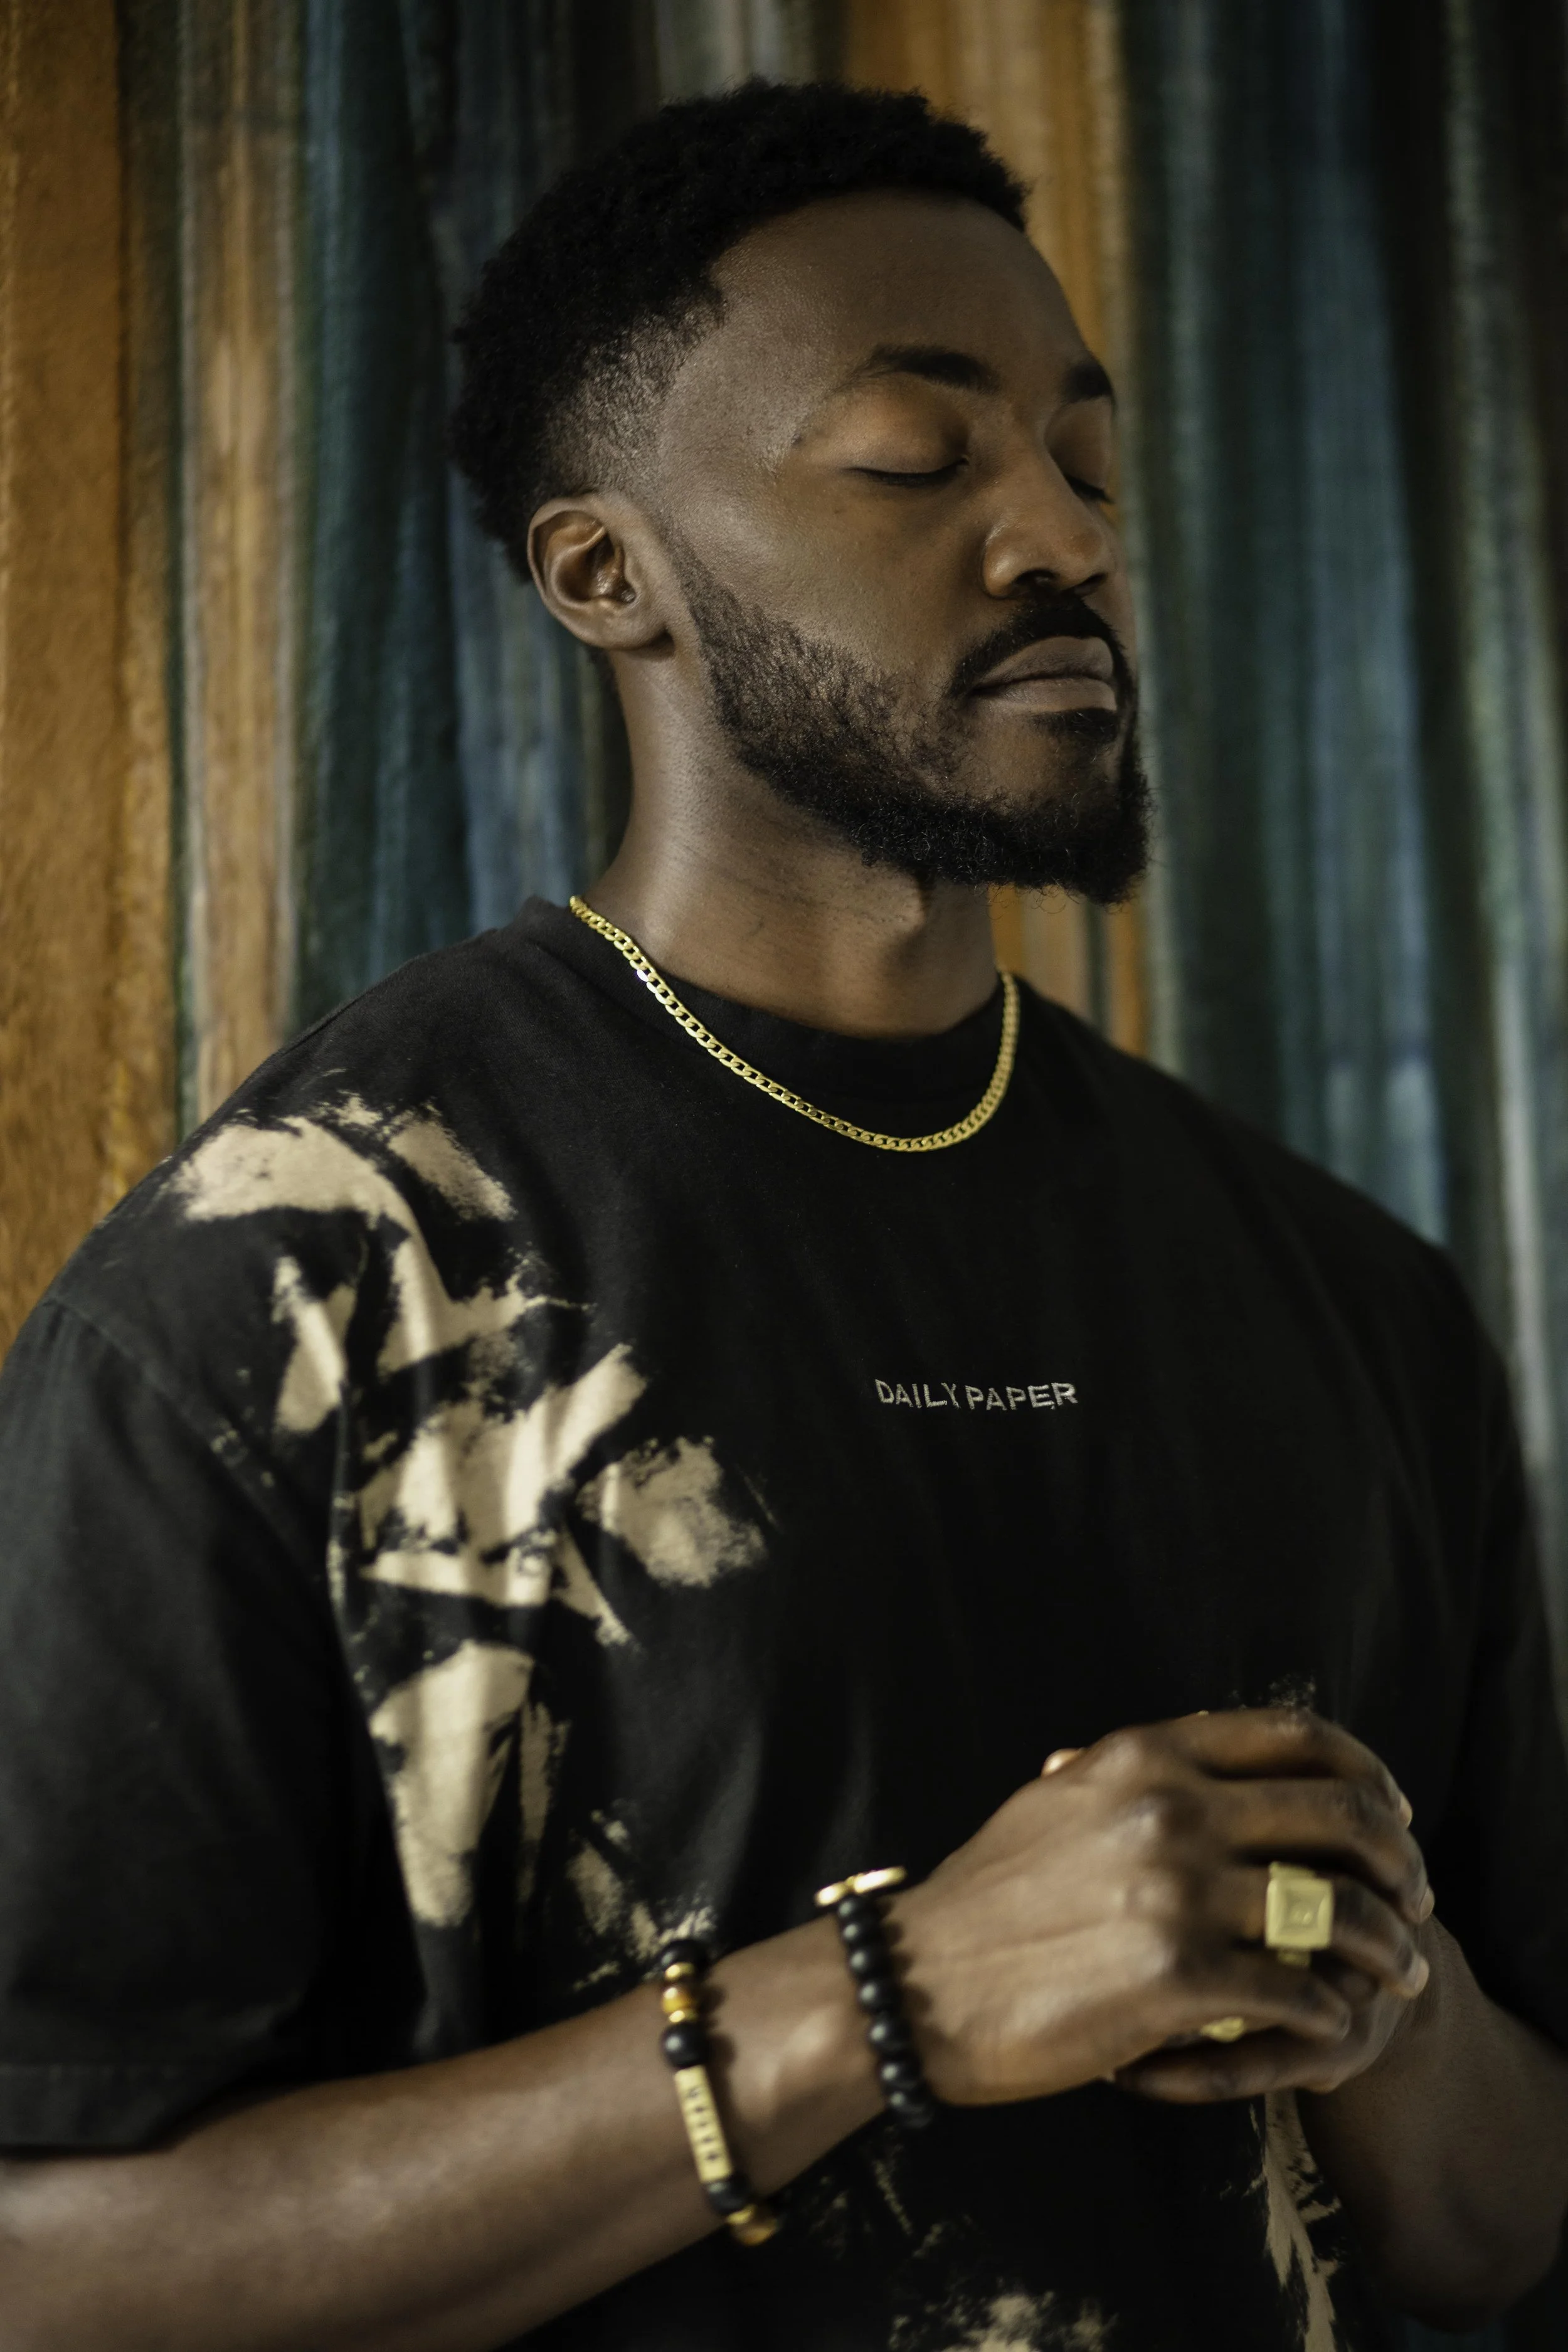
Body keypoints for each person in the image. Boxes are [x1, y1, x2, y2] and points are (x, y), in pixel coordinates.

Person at [0, 78, 1564, 2352]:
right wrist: (889, 1996)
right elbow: (43, 2271)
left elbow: (1495, 2237)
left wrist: (1370, 1988)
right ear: (605, 574)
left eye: (1085, 456)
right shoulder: (297, 1279)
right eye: (915, 459)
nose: (1060, 535)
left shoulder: (1348, 1297)